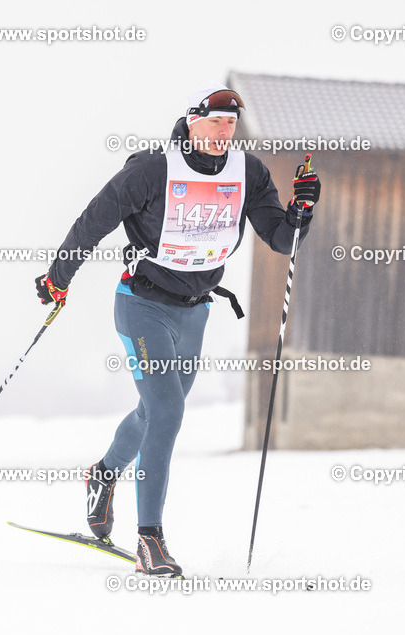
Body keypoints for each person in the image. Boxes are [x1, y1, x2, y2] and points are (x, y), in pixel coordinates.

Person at [35, 82, 321, 576]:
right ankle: (151, 539)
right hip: (142, 304)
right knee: (167, 409)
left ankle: (103, 474)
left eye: (230, 125)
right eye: (213, 122)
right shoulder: (152, 170)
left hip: (196, 309)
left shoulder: (247, 173)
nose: (221, 133)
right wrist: (57, 279)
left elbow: (280, 238)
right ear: (192, 122)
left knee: (155, 410)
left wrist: (302, 212)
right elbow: (92, 223)